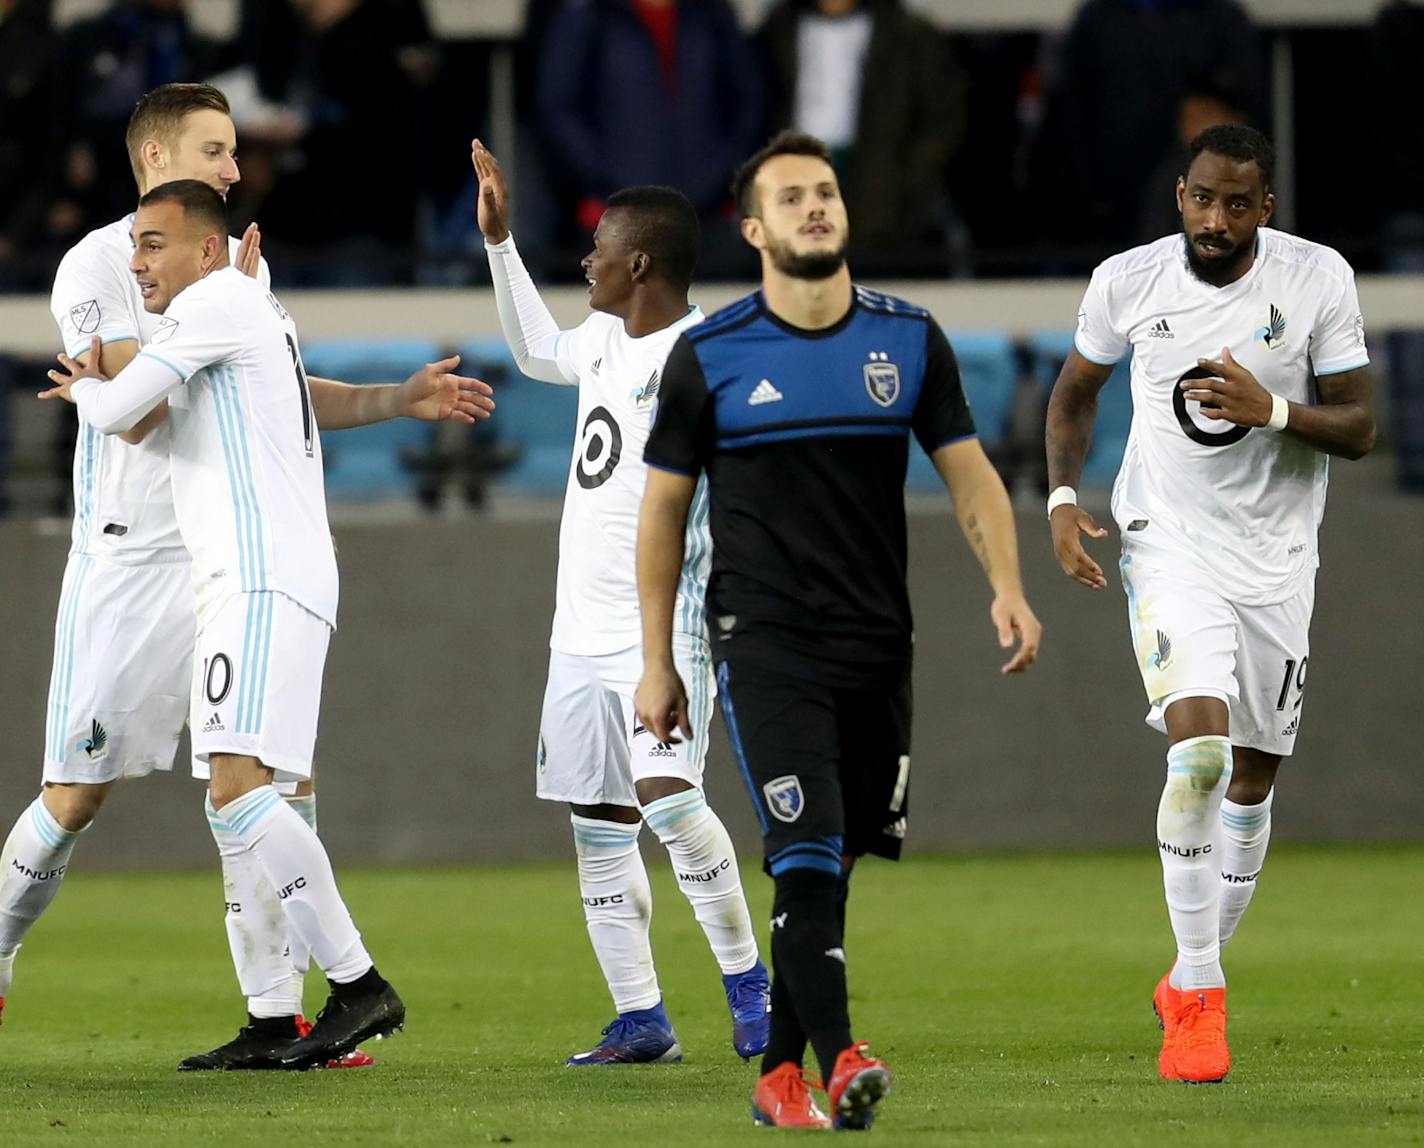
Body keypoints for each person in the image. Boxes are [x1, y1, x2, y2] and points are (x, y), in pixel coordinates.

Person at [0, 83, 490, 1069]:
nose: (234, 166)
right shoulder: (106, 262)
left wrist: (394, 397)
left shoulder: (220, 272)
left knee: (262, 781)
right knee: (76, 793)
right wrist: (143, 354)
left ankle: (286, 1014)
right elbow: (144, 409)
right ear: (154, 157)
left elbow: (263, 392)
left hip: (229, 552)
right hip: (134, 560)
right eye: (215, 149)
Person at [634, 131, 1041, 1129]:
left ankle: (778, 1077)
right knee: (805, 843)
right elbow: (658, 515)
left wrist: (1006, 583)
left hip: (877, 643)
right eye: (790, 197)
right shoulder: (709, 356)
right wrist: (657, 659)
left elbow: (968, 472)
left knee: (833, 860)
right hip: (765, 637)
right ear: (754, 227)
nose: (813, 206)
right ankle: (841, 1051)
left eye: (824, 192)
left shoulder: (906, 339)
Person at [1045, 124, 1374, 1084]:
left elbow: (1357, 427)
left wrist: (1270, 409)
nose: (1216, 220)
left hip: (1275, 558)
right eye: (1201, 199)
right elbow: (1072, 396)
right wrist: (1063, 501)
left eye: (1237, 204)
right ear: (1179, 198)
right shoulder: (1128, 282)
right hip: (1168, 543)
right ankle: (1199, 994)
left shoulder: (1318, 280)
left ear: (1265, 209)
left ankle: (1193, 969)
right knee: (1197, 750)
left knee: (1254, 777)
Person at [471, 139, 770, 1066]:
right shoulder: (602, 338)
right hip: (577, 628)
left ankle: (750, 987)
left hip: (662, 621)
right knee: (598, 821)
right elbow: (532, 350)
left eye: (601, 246)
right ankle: (641, 1016)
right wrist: (500, 244)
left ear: (640, 263)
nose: (589, 260)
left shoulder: (710, 357)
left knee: (669, 798)